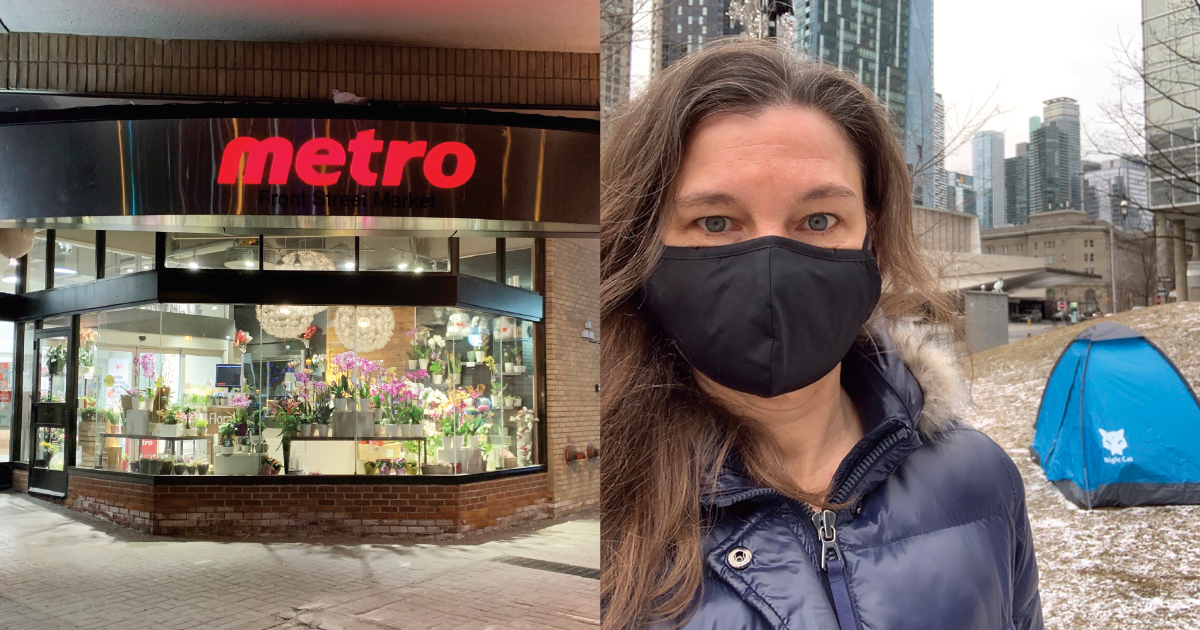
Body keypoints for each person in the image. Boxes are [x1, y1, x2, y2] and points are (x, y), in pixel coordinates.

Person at [600, 38, 1042, 630]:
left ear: (872, 238)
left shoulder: (979, 482)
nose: (771, 264)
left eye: (818, 220)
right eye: (714, 221)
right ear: (644, 243)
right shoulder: (599, 510)